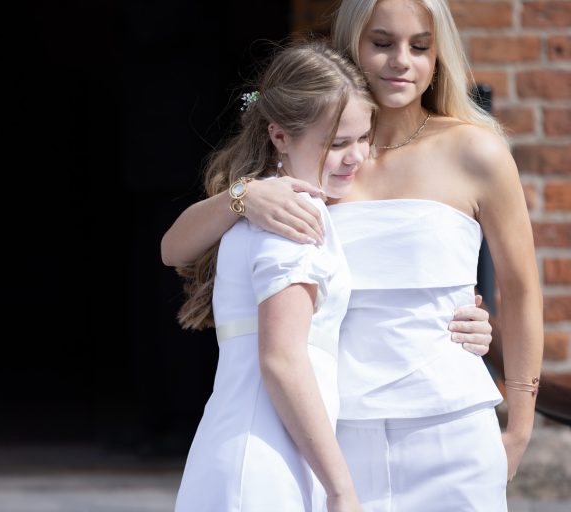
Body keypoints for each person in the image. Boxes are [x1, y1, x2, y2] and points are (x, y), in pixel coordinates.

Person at [162, 1, 544, 510]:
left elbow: (520, 289)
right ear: (352, 44)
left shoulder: (476, 151)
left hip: (452, 426)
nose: (401, 60)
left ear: (439, 57)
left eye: (420, 46)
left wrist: (519, 425)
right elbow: (175, 248)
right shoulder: (317, 156)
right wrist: (242, 196)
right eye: (382, 43)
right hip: (334, 432)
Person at [174, 40, 374, 512]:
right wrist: (341, 488)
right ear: (280, 136)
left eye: (364, 138)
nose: (356, 157)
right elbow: (282, 359)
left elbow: (171, 248)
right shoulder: (294, 214)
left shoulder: (260, 204)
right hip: (268, 462)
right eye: (337, 144)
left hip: (236, 446)